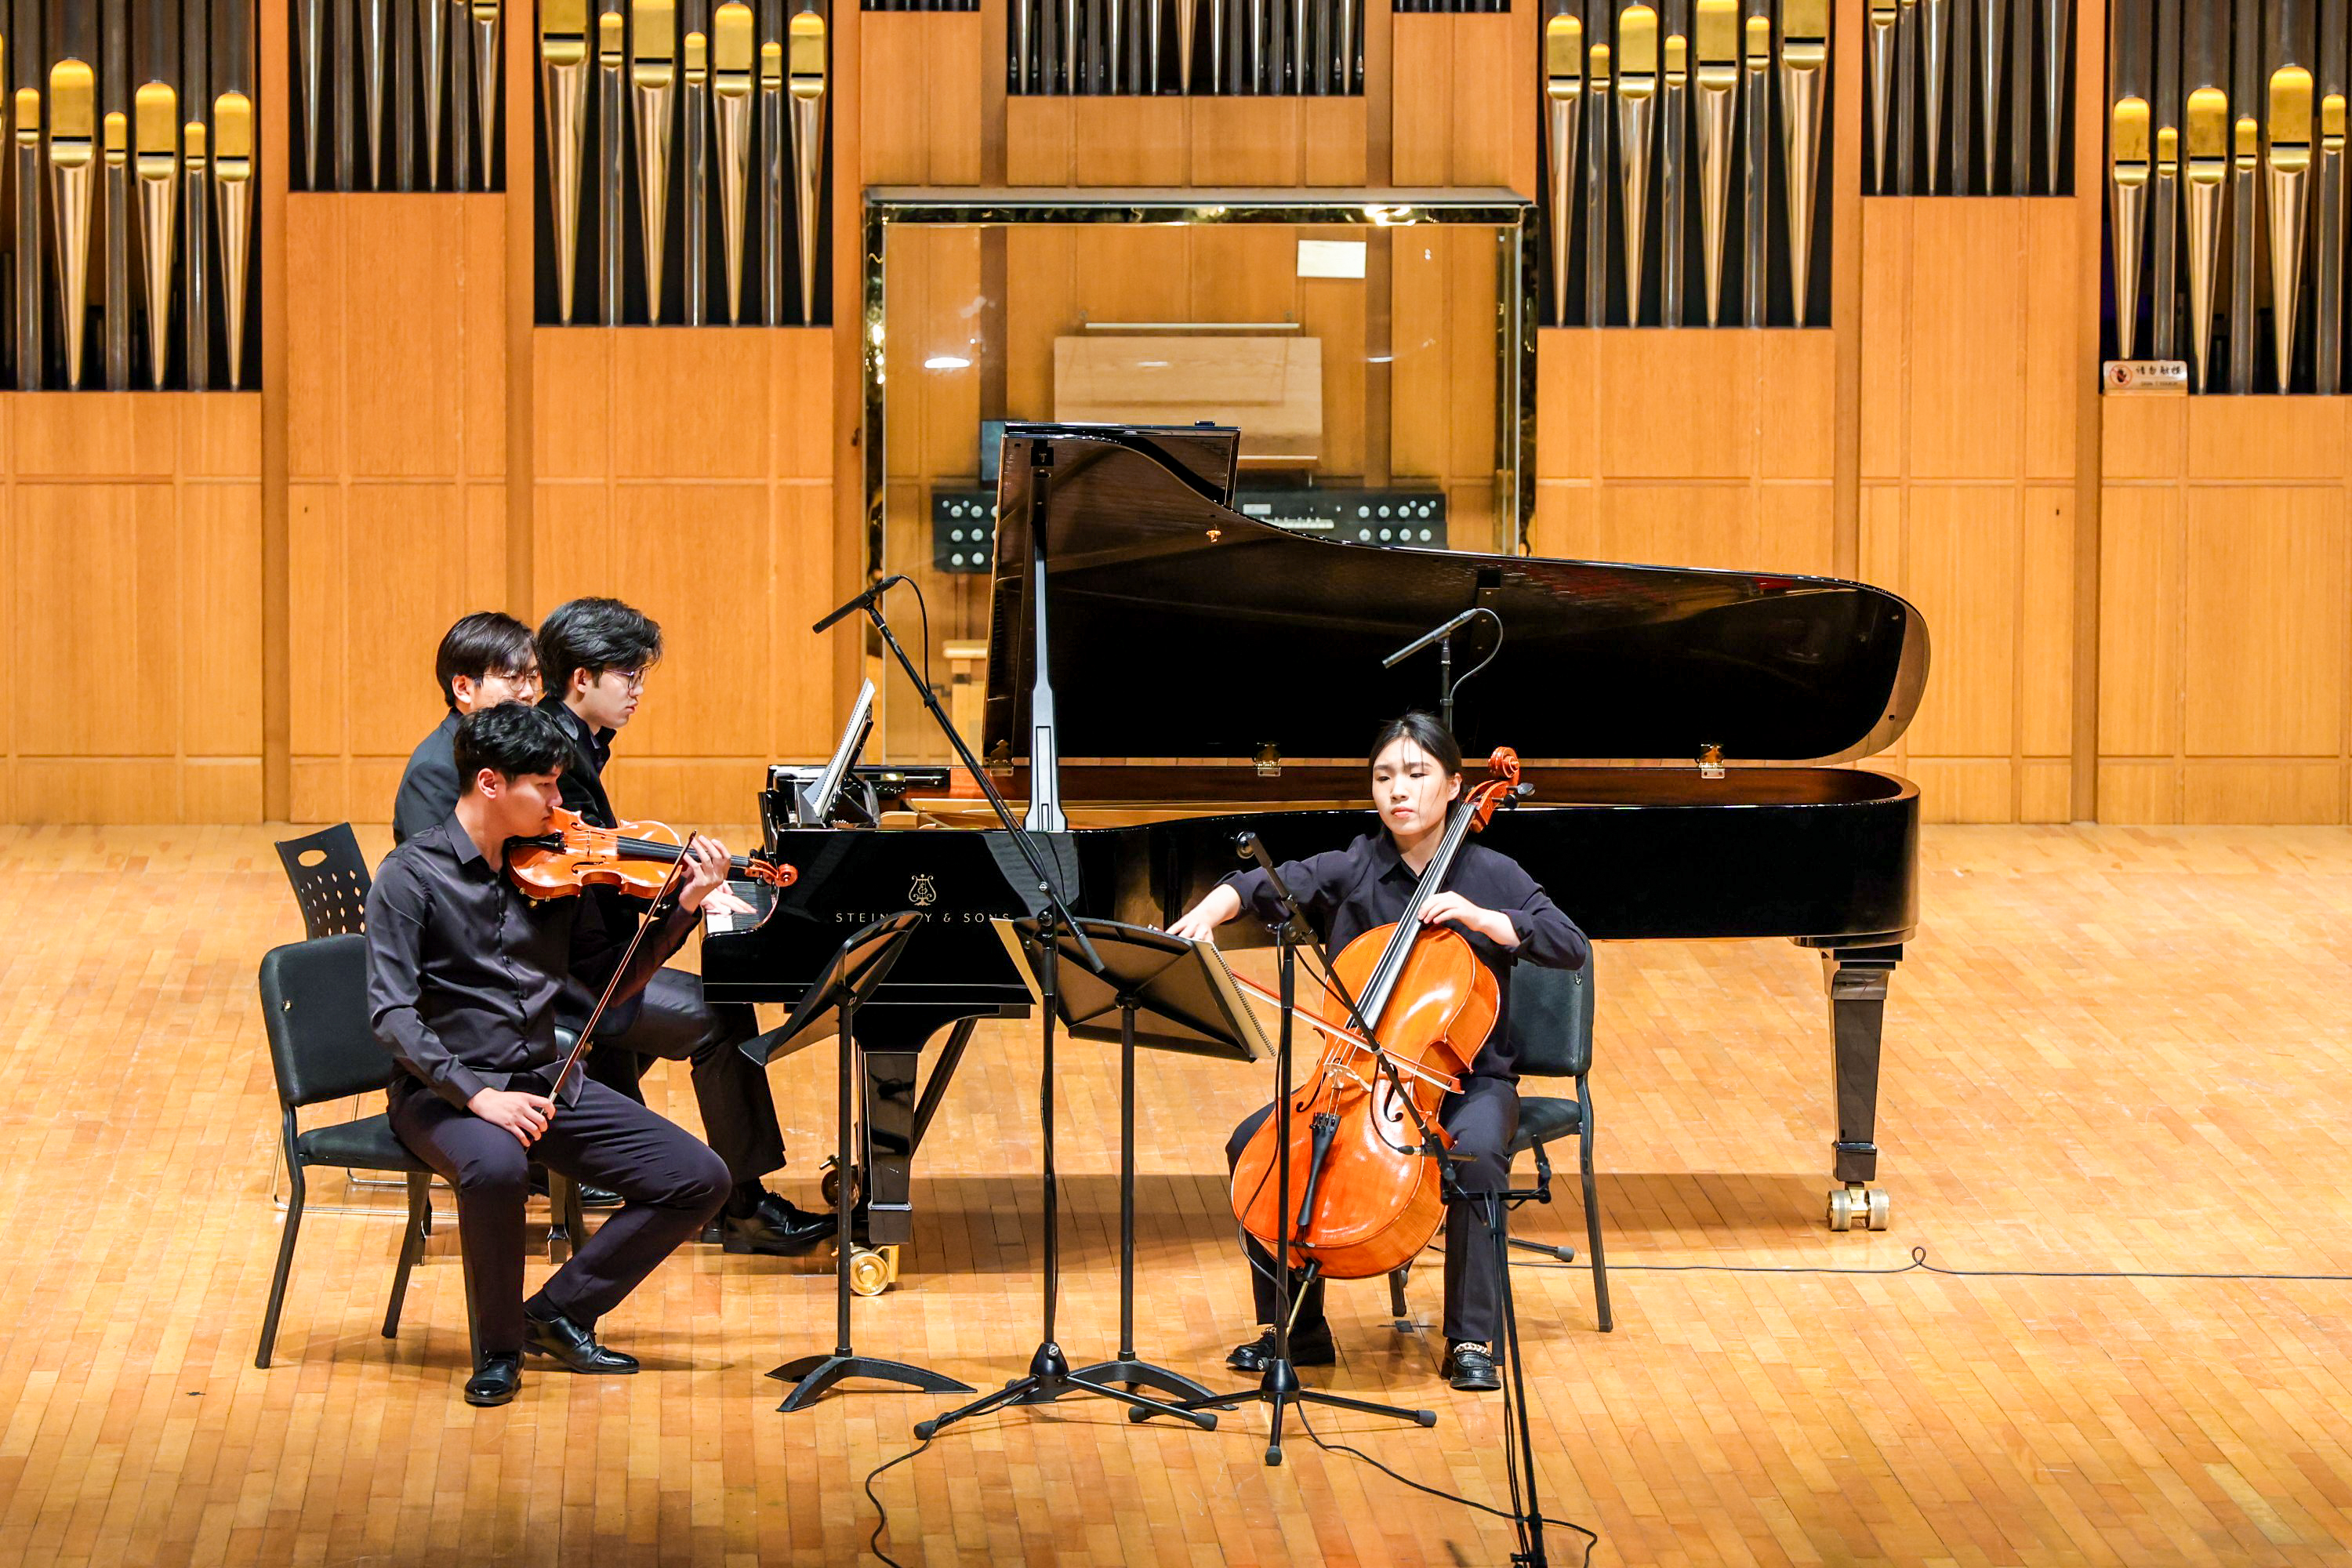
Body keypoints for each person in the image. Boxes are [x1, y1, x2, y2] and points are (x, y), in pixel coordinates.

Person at [1169, 713, 1588, 1393]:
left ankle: (1470, 1338)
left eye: (1418, 774)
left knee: (1478, 1156)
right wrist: (1212, 910)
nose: (1399, 790)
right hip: (1357, 1080)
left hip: (1469, 1082)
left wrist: (1484, 918)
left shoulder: (1492, 873)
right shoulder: (1356, 864)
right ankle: (1296, 1330)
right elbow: (1266, 883)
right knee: (1255, 1145)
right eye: (1385, 776)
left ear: (1454, 786)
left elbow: (1570, 946)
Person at [366, 703, 735, 1406]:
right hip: (444, 1095)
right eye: (545, 785)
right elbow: (392, 1016)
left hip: (546, 1081)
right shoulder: (410, 878)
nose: (560, 802)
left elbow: (607, 989)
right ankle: (499, 1350)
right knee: (499, 1165)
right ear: (490, 784)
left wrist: (683, 907)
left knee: (697, 1178)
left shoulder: (552, 871)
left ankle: (558, 1312)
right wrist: (480, 1097)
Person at [533, 597, 831, 1256]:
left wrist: (670, 883)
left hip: (575, 958)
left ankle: (683, 1181)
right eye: (628, 676)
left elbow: (600, 863)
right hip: (563, 981)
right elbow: (581, 880)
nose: (638, 691)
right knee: (716, 1016)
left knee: (708, 1005)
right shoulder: (556, 759)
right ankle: (744, 1209)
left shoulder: (570, 740)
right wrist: (680, 899)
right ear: (582, 677)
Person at [392, 612, 543, 847]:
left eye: (532, 677)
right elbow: (434, 864)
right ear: (463, 688)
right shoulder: (433, 771)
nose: (529, 692)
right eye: (514, 678)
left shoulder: (513, 750)